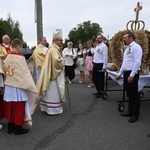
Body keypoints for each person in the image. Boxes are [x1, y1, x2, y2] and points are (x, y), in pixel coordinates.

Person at [3, 39, 38, 135]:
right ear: (18, 47)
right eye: (20, 48)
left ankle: (10, 127)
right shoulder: (20, 58)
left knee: (10, 106)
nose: (20, 50)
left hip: (9, 86)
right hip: (19, 86)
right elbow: (25, 74)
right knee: (19, 106)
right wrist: (31, 86)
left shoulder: (7, 57)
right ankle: (18, 128)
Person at [115, 32, 142, 123]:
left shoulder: (136, 47)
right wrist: (120, 73)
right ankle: (130, 111)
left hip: (132, 73)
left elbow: (137, 62)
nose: (124, 39)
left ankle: (135, 114)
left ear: (130, 38)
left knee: (134, 94)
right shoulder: (127, 48)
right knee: (130, 94)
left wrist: (132, 75)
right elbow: (125, 63)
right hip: (126, 72)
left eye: (125, 37)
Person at [38, 29, 66, 115]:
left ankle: (47, 107)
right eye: (60, 40)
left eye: (62, 40)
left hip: (50, 73)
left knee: (49, 91)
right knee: (53, 91)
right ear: (54, 40)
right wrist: (63, 60)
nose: (61, 42)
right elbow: (57, 62)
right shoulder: (54, 49)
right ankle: (53, 109)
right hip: (53, 75)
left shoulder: (53, 49)